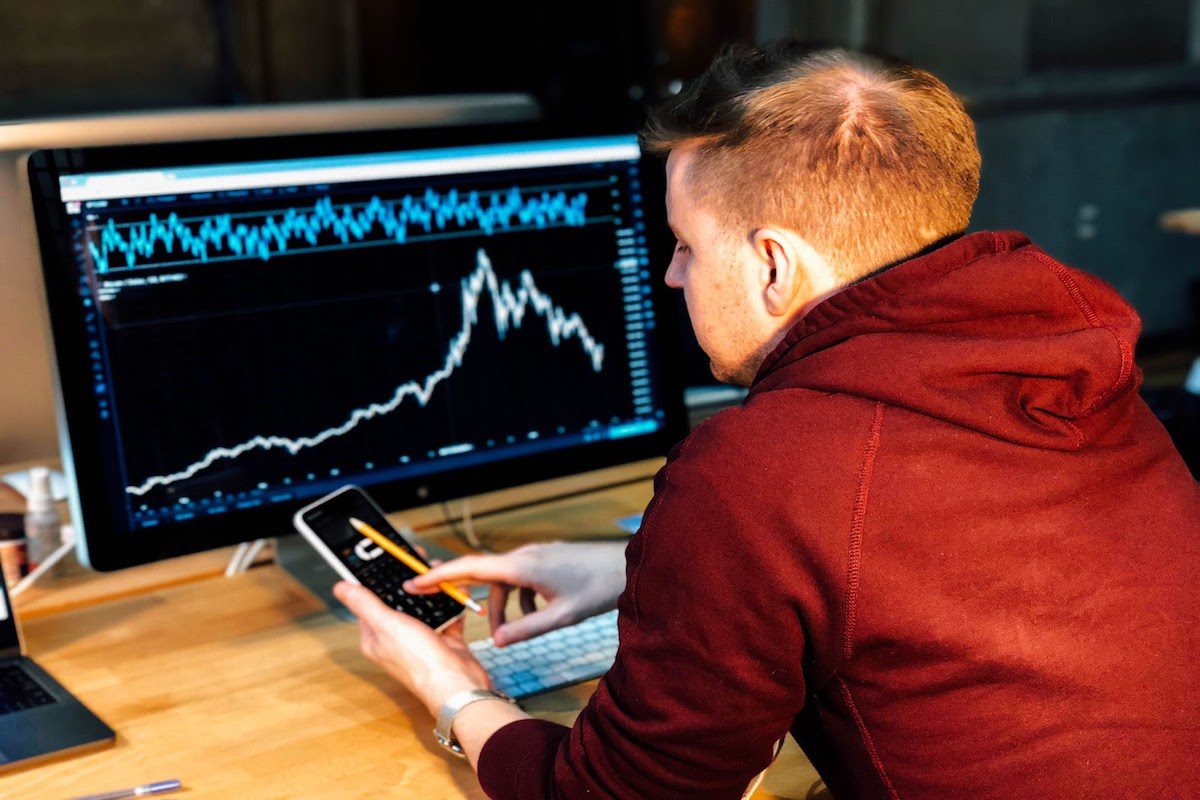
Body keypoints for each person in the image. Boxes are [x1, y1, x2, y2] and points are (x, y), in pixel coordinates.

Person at [334, 43, 1200, 799]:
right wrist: (644, 568)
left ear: (773, 264)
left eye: (686, 246)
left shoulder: (764, 468)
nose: (673, 278)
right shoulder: (1075, 367)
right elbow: (933, 564)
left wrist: (452, 689)